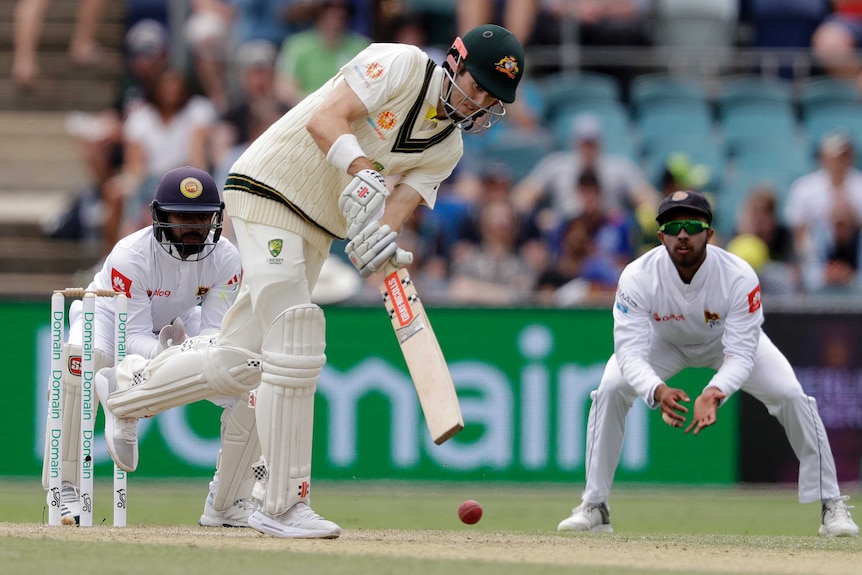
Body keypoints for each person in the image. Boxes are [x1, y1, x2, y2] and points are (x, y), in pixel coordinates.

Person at [95, 24, 525, 539]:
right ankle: (280, 503)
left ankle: (127, 392)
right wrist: (363, 169)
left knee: (242, 360)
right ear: (455, 61)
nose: (478, 104)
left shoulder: (447, 149)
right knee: (296, 333)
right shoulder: (402, 63)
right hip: (268, 188)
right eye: (477, 86)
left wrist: (380, 245)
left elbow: (392, 215)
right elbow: (326, 118)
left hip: (319, 228)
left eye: (491, 100)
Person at [556, 190, 860, 538]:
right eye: (673, 226)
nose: (682, 234)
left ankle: (832, 505)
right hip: (664, 343)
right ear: (661, 236)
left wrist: (715, 391)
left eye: (691, 225)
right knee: (609, 389)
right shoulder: (637, 276)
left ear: (709, 234)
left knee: (792, 395)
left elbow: (743, 353)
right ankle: (595, 505)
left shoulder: (739, 275)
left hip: (725, 344)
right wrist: (656, 390)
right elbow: (629, 352)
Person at [43, 166, 257, 528]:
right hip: (108, 322)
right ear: (160, 215)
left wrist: (187, 353)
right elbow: (131, 338)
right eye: (182, 217)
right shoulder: (131, 255)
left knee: (250, 384)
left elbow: (216, 333)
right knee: (79, 363)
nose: (194, 226)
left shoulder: (227, 258)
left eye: (203, 217)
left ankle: (227, 502)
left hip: (180, 326)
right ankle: (65, 489)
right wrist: (179, 357)